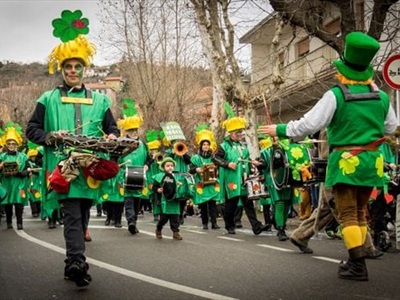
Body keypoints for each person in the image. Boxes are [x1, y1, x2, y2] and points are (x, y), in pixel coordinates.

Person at [259, 32, 398, 281]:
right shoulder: (383, 97)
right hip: (371, 164)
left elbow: (308, 124)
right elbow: (390, 127)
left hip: (346, 163)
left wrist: (279, 129)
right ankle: (357, 258)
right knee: (359, 212)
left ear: (344, 69)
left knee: (346, 215)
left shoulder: (336, 95)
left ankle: (357, 266)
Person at [26, 10, 119, 288]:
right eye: (68, 66)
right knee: (72, 213)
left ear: (84, 69)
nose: (73, 71)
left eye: (78, 67)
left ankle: (72, 263)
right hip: (63, 168)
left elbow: (112, 129)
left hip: (90, 167)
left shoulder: (101, 101)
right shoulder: (47, 98)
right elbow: (31, 131)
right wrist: (52, 135)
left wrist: (113, 137)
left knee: (84, 211)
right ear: (62, 68)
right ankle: (77, 262)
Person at [213, 103, 270, 235]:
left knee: (248, 203)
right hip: (231, 179)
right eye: (238, 132)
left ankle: (256, 226)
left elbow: (247, 160)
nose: (241, 134)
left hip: (244, 179)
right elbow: (215, 158)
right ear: (231, 133)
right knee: (231, 204)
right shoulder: (224, 146)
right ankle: (229, 225)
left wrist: (253, 165)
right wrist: (227, 164)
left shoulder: (243, 146)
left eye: (241, 132)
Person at [117, 99, 152, 235]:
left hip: (140, 176)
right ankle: (131, 222)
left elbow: (149, 159)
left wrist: (146, 166)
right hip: (126, 176)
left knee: (137, 201)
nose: (134, 132)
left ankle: (134, 221)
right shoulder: (122, 144)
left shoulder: (143, 144)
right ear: (127, 131)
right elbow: (116, 159)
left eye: (135, 130)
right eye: (131, 130)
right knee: (129, 201)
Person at [189, 125, 221, 230]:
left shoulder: (213, 157)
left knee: (212, 203)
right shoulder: (196, 158)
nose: (206, 146)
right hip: (201, 183)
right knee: (203, 204)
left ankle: (214, 223)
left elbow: (219, 166)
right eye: (204, 144)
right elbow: (190, 168)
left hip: (212, 182)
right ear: (201, 146)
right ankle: (205, 223)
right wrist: (196, 169)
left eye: (207, 144)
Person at [0, 124, 29, 230]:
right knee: (7, 203)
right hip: (7, 183)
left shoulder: (23, 157)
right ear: (6, 145)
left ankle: (20, 223)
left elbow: (27, 170)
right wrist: (1, 167)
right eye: (9, 143)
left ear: (17, 144)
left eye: (13, 143)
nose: (11, 145)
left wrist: (19, 173)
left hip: (19, 183)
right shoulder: (1, 157)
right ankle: (8, 222)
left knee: (19, 203)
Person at [153, 157, 183, 240]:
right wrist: (157, 189)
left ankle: (175, 233)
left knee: (175, 218)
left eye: (172, 165)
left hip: (175, 201)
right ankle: (159, 229)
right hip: (165, 201)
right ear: (163, 167)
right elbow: (154, 186)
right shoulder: (159, 176)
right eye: (167, 166)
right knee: (163, 218)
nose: (170, 167)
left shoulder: (177, 176)